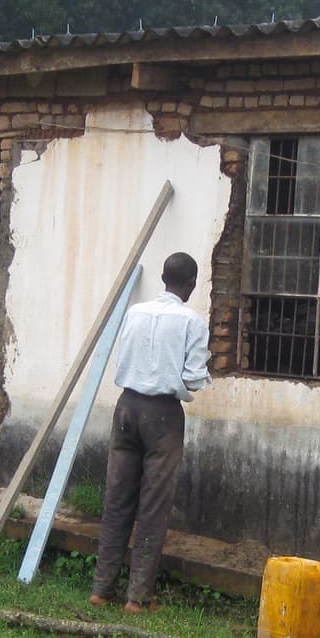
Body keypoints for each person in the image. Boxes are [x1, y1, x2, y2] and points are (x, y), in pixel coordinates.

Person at [90, 252, 211, 613]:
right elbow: (191, 378)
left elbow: (123, 357)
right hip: (162, 415)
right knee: (153, 506)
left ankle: (101, 589)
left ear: (161, 277)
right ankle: (137, 597)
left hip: (125, 408)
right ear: (191, 284)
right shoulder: (192, 321)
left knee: (117, 500)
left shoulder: (134, 312)